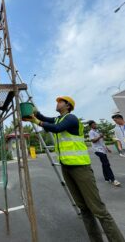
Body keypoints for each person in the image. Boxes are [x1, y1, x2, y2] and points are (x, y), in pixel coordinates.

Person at [22, 96, 125, 242]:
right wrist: (34, 111)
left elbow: (56, 129)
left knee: (98, 210)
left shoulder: (71, 118)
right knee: (84, 209)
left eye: (60, 101)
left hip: (81, 168)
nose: (57, 103)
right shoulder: (59, 119)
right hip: (67, 168)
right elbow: (46, 119)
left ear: (67, 105)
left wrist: (36, 121)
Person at [88, 120, 120, 186]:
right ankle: (113, 179)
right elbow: (93, 141)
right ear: (91, 125)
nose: (95, 125)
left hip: (102, 150)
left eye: (95, 124)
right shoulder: (91, 132)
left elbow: (101, 142)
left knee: (104, 164)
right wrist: (100, 136)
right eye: (94, 124)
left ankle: (106, 178)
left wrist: (107, 149)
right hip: (97, 150)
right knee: (106, 164)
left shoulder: (97, 131)